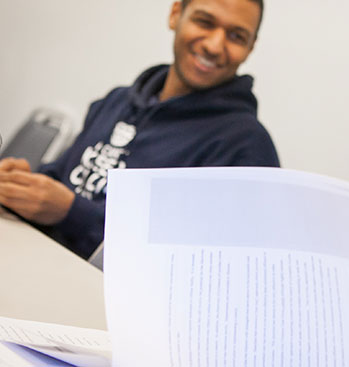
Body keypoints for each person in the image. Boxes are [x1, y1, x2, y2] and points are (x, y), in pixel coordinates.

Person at [0, 0, 279, 260]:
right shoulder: (117, 101)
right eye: (205, 22)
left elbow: (198, 263)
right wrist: (22, 186)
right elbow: (63, 177)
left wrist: (70, 212)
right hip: (34, 259)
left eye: (236, 36)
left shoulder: (246, 147)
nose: (215, 46)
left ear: (251, 48)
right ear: (175, 15)